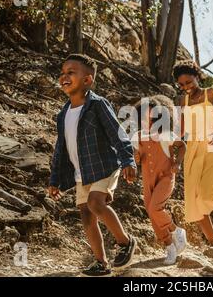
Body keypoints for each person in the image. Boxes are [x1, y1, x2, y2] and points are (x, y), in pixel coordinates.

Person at [47, 54, 137, 276]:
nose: (64, 77)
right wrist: (55, 179)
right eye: (63, 73)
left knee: (96, 203)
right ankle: (101, 262)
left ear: (87, 80)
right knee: (87, 216)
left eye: (71, 72)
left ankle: (125, 242)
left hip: (104, 165)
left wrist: (128, 159)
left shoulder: (97, 104)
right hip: (82, 172)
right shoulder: (63, 114)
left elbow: (118, 133)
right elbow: (61, 148)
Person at [173, 60, 213, 247]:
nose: (186, 87)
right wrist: (173, 152)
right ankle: (212, 242)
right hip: (192, 150)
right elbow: (180, 132)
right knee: (194, 200)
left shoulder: (212, 93)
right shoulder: (182, 101)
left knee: (207, 196)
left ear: (197, 77)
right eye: (182, 84)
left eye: (189, 82)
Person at [132, 95, 187, 265]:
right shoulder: (138, 137)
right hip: (148, 181)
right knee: (151, 212)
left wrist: (177, 163)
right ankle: (169, 246)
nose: (145, 121)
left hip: (166, 177)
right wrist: (135, 159)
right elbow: (138, 158)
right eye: (142, 118)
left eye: (150, 117)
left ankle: (176, 230)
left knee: (155, 209)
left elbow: (182, 146)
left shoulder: (166, 135)